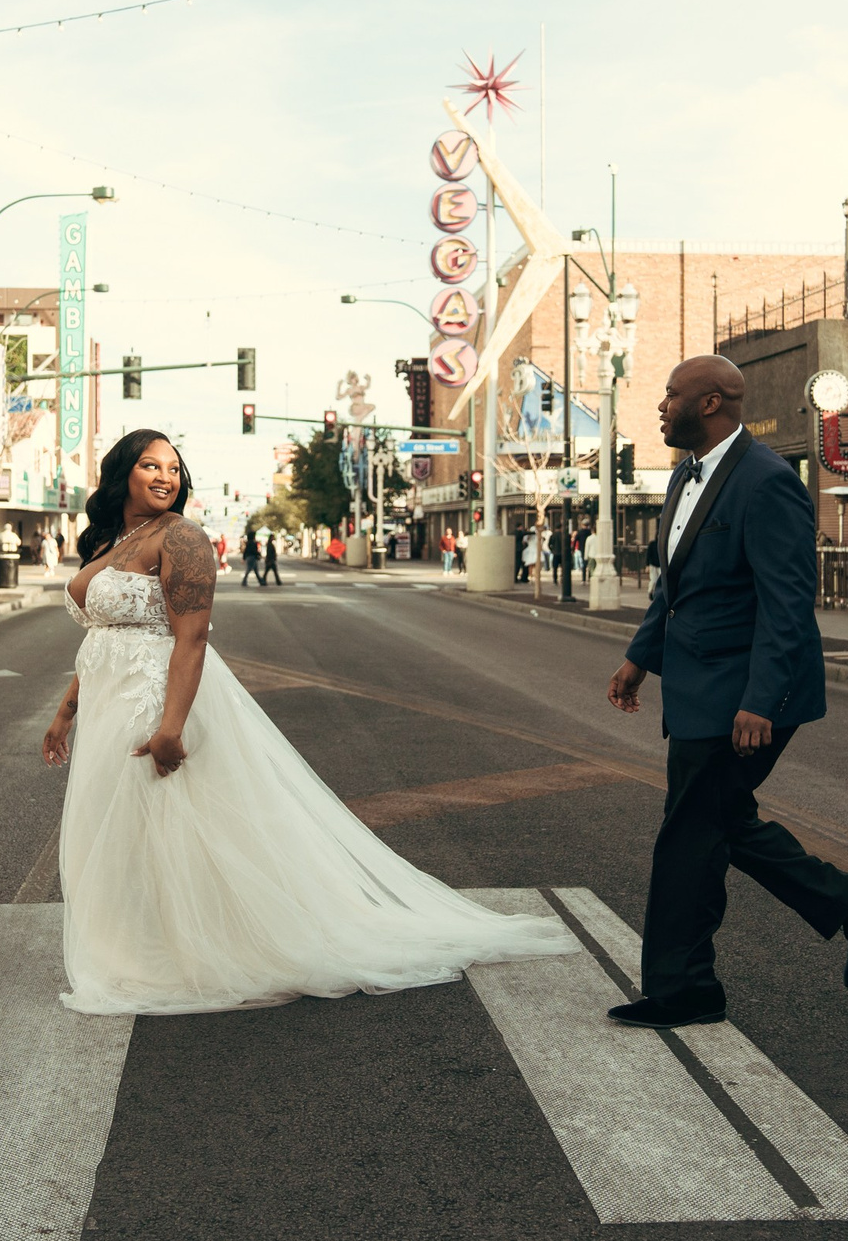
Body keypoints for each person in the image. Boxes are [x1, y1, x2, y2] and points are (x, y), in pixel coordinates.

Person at [41, 429, 576, 1014]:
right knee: (121, 835)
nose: (166, 476)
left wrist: (172, 726)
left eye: (174, 467)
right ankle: (141, 943)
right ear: (123, 473)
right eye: (150, 465)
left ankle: (206, 946)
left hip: (157, 701)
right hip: (107, 703)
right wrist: (66, 713)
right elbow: (102, 638)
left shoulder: (184, 538)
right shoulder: (115, 540)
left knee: (177, 829)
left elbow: (191, 641)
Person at [603, 355, 848, 1031]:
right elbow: (673, 587)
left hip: (745, 696)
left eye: (672, 394)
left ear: (714, 402)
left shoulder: (768, 482)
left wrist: (760, 699)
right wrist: (640, 659)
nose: (662, 405)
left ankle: (685, 989)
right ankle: (847, 898)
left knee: (688, 836)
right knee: (717, 824)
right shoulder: (682, 476)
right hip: (698, 689)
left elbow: (787, 603)